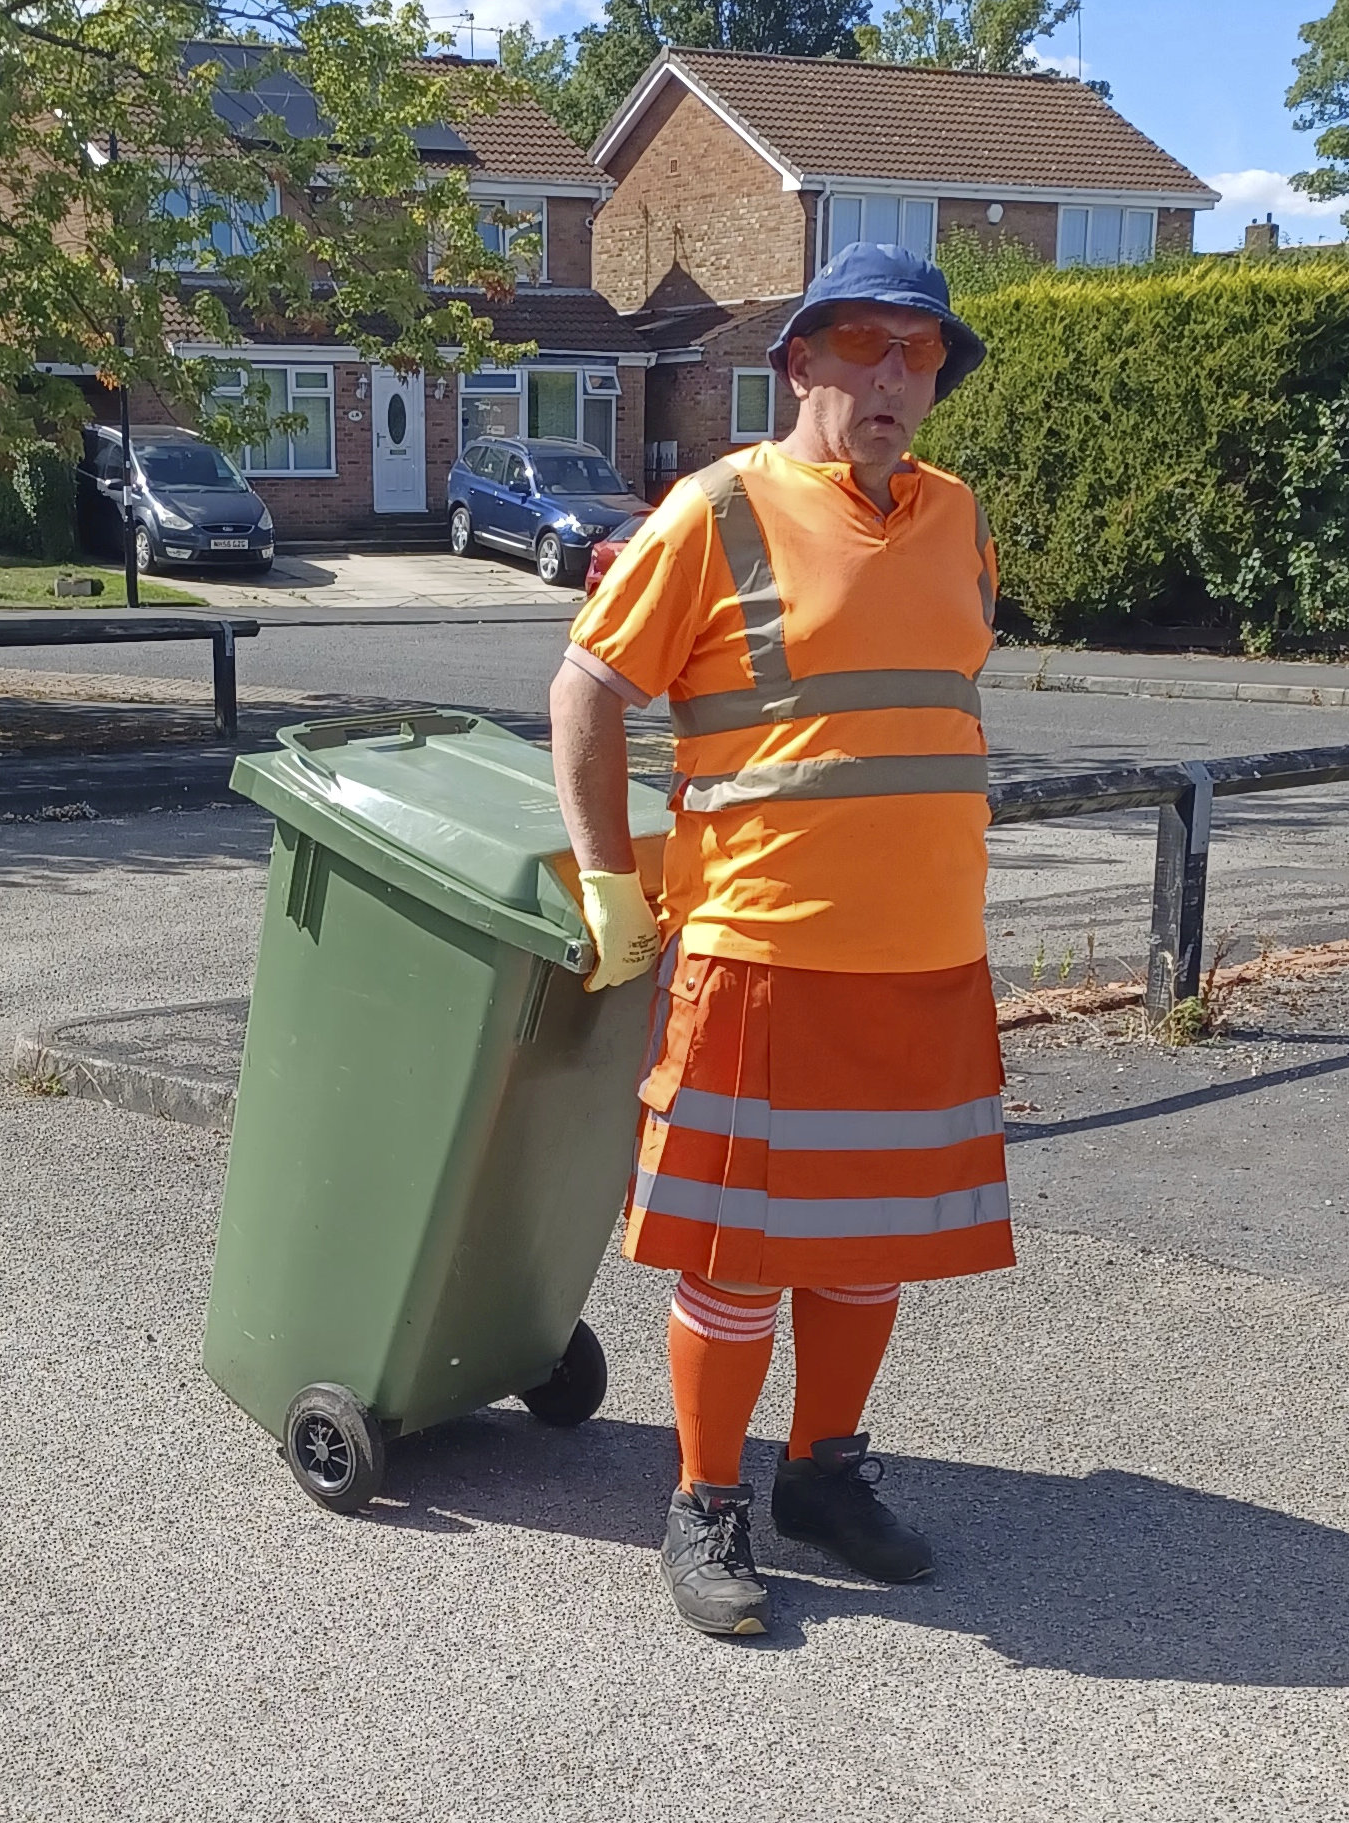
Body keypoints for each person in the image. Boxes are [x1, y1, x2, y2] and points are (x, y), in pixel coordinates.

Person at [548, 242, 1015, 1638]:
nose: (890, 377)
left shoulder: (959, 517)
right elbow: (584, 691)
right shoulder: (716, 510)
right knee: (739, 1252)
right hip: (758, 945)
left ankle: (821, 1475)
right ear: (799, 361)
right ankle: (703, 1500)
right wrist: (603, 880)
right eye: (862, 346)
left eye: (917, 354)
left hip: (922, 952)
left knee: (865, 1242)